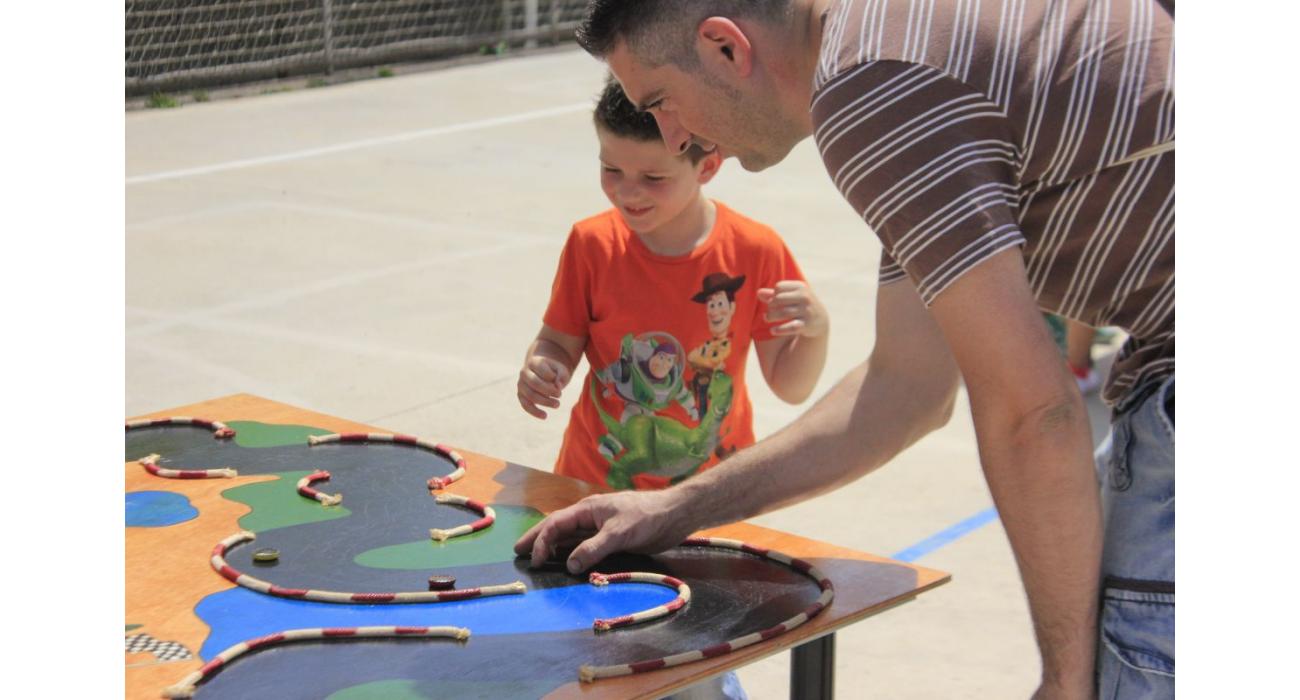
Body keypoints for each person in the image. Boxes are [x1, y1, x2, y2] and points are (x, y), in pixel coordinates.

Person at [515, 2, 1174, 699]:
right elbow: (908, 386)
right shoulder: (903, 46)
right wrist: (672, 509)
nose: (674, 136)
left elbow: (1032, 411)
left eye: (662, 102)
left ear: (725, 49)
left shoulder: (875, 86)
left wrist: (1068, 684)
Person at [517, 78, 829, 495]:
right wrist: (543, 366)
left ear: (708, 166)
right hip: (595, 481)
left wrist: (816, 332)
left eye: (653, 177)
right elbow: (557, 342)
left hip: (710, 495)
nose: (628, 191)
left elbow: (792, 387)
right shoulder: (591, 244)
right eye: (611, 169)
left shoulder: (755, 250)